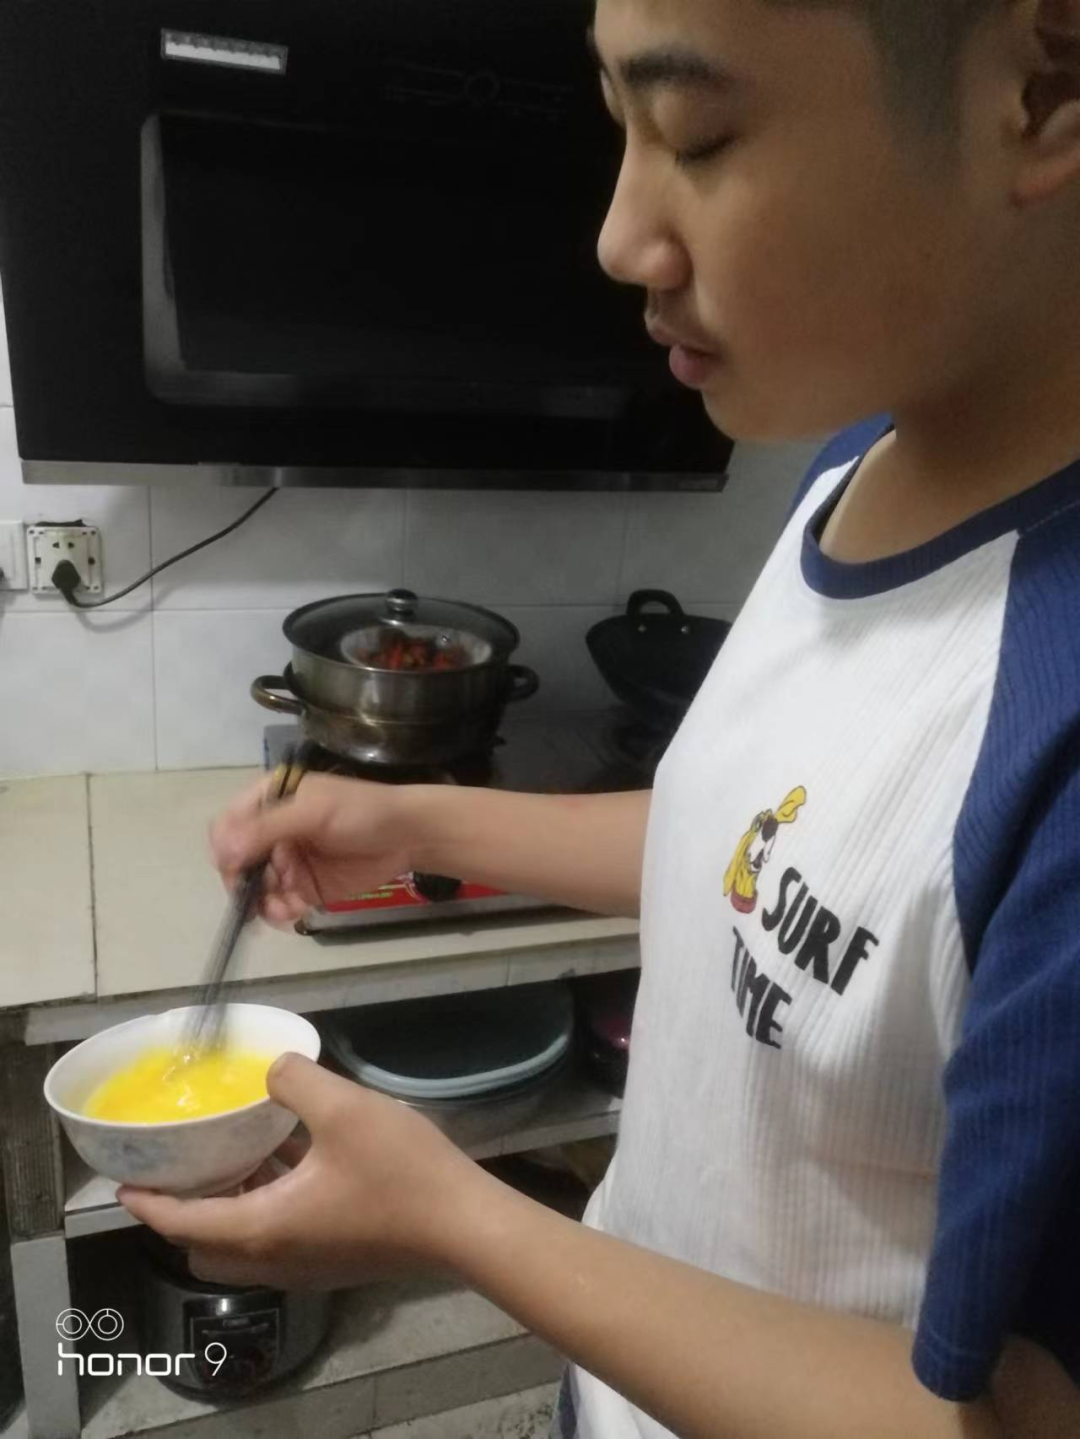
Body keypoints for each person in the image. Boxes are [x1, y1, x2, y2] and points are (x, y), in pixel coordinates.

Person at [120, 0, 1080, 1434]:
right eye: (618, 127)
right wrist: (414, 819)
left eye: (698, 132)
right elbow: (771, 859)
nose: (621, 238)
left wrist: (454, 1215)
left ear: (1044, 85)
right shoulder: (858, 464)